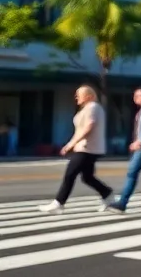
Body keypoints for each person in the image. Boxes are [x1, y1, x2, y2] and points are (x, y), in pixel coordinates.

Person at [40, 86, 114, 214]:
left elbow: (88, 127)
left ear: (89, 96)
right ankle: (107, 194)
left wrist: (71, 144)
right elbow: (80, 130)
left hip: (87, 148)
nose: (76, 97)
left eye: (79, 94)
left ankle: (59, 203)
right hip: (84, 147)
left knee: (70, 174)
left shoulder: (93, 107)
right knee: (87, 177)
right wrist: (71, 144)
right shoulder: (87, 108)